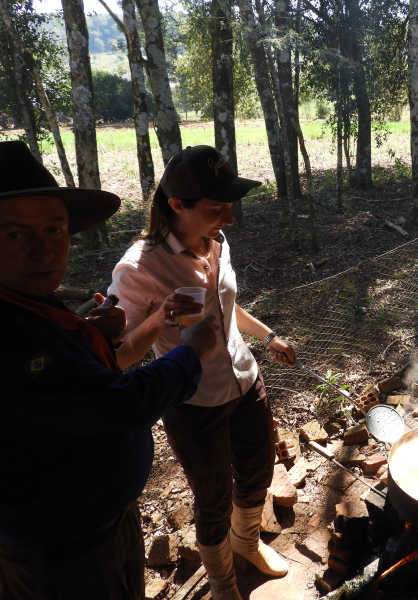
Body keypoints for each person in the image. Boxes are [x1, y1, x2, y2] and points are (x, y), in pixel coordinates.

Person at [0, 141, 220, 600]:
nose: (44, 251)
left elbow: (78, 376)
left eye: (55, 229)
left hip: (100, 523)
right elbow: (124, 403)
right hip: (57, 550)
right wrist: (191, 349)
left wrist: (102, 332)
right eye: (16, 235)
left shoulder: (18, 300)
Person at [108, 146, 296, 600]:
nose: (229, 219)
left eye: (229, 205)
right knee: (212, 499)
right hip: (194, 403)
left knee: (256, 474)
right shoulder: (139, 268)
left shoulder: (216, 241)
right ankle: (221, 582)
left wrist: (268, 335)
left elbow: (225, 309)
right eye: (216, 209)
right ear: (177, 206)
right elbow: (116, 358)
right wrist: (156, 322)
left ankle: (246, 545)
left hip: (247, 383)